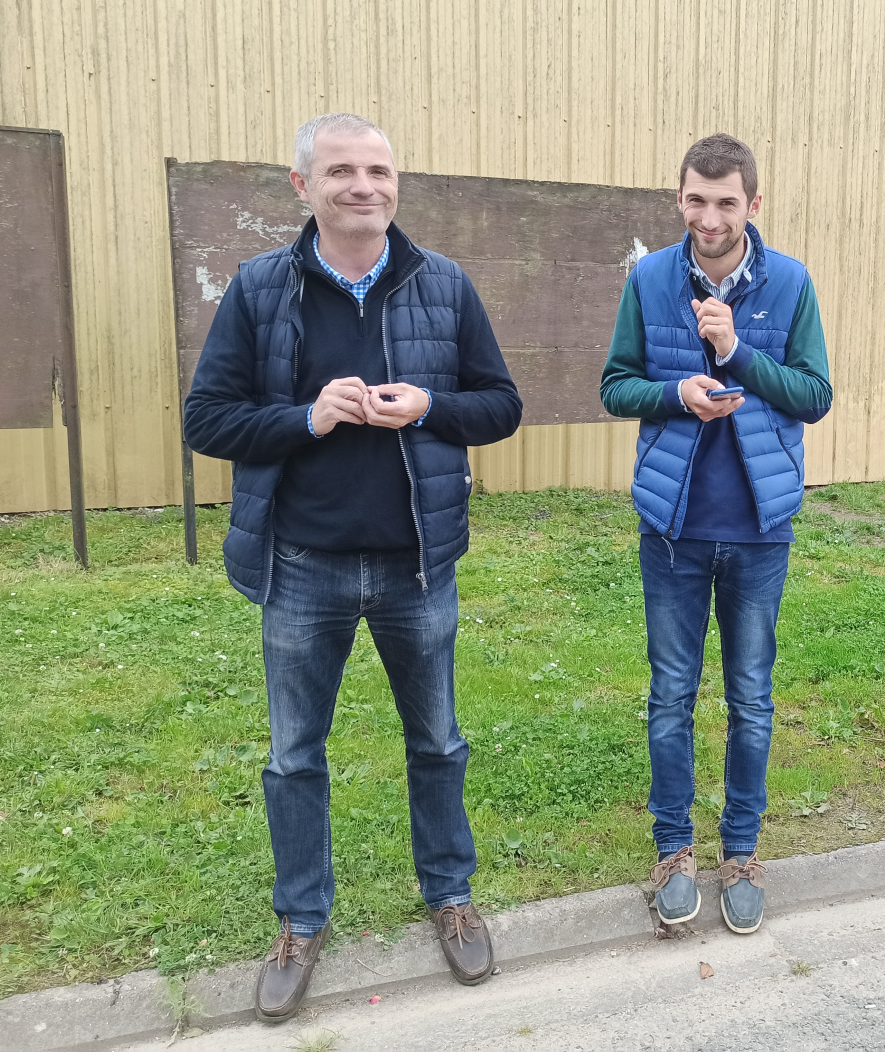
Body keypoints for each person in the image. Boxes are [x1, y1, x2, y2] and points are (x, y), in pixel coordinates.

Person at [183, 113, 523, 1023]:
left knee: (439, 742)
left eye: (377, 170)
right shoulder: (260, 288)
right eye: (341, 171)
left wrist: (430, 406)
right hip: (303, 566)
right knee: (295, 756)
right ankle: (300, 921)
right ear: (303, 186)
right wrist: (308, 417)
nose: (363, 186)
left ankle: (451, 897)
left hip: (418, 568)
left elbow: (501, 406)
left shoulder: (443, 284)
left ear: (395, 182)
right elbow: (206, 418)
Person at [600, 133, 832, 935]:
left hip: (760, 531)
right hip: (674, 528)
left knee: (751, 698)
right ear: (679, 199)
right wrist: (675, 394)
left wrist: (735, 352)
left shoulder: (791, 282)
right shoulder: (650, 279)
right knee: (671, 694)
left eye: (726, 202)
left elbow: (814, 395)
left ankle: (741, 851)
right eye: (696, 200)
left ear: (752, 204)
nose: (710, 217)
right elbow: (616, 386)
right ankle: (673, 849)